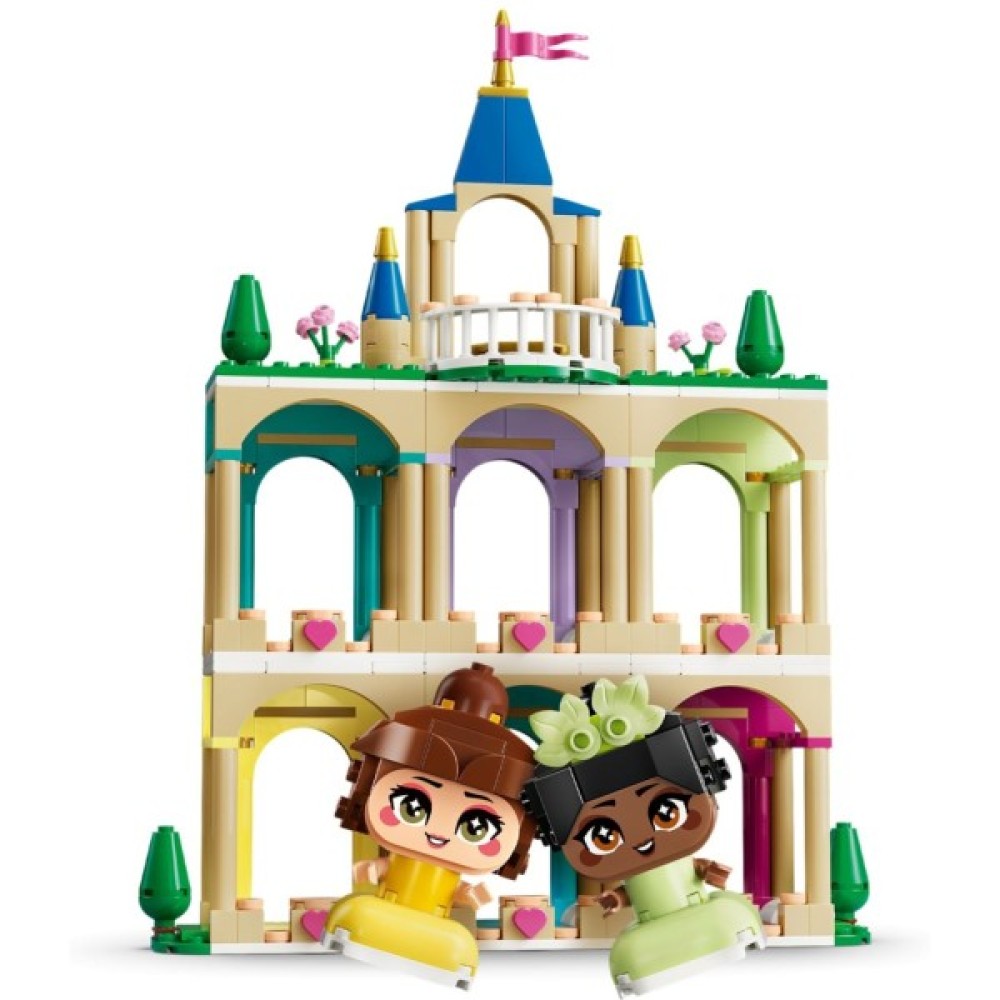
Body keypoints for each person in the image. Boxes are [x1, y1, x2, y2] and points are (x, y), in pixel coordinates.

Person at [521, 676, 764, 996]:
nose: (641, 840)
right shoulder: (632, 941)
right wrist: (615, 898)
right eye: (604, 836)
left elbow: (702, 870)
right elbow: (632, 891)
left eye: (666, 812)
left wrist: (711, 871)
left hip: (699, 910)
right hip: (656, 923)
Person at [325, 663, 536, 989]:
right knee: (361, 912)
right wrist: (372, 869)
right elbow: (373, 870)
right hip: (386, 905)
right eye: (412, 806)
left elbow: (465, 895)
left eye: (476, 826)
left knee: (451, 941)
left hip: (438, 920)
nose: (438, 833)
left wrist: (472, 894)